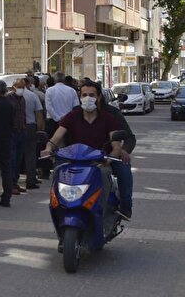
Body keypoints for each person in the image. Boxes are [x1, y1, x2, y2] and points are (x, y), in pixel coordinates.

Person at [41, 80, 133, 218]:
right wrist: (48, 148)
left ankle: (112, 209)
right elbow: (56, 138)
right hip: (75, 159)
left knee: (115, 171)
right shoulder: (72, 115)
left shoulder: (109, 116)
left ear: (99, 97)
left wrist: (112, 156)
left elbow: (116, 144)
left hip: (100, 160)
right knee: (58, 171)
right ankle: (59, 206)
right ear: (79, 97)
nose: (87, 98)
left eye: (91, 95)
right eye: (84, 95)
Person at [10, 77, 44, 193]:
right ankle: (30, 180)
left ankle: (15, 180)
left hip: (17, 128)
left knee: (16, 156)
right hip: (29, 126)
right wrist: (40, 128)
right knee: (30, 155)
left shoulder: (10, 96)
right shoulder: (32, 95)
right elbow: (38, 113)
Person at [44, 73, 79, 138]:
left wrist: (57, 119)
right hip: (69, 121)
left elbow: (49, 107)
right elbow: (76, 107)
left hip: (52, 122)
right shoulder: (72, 91)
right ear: (64, 80)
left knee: (53, 143)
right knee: (68, 143)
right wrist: (65, 118)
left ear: (54, 80)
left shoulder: (49, 90)